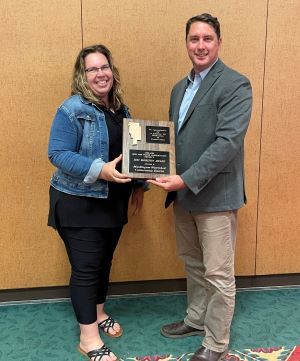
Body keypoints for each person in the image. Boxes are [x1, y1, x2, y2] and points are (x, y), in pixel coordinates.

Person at [148, 13, 252, 361]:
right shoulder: (180, 88)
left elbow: (227, 143)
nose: (201, 45)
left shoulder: (235, 84)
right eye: (194, 39)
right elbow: (173, 141)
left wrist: (185, 178)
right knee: (192, 263)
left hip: (215, 197)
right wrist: (153, 167)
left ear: (219, 43)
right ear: (187, 44)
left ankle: (216, 344)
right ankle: (195, 319)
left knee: (219, 273)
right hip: (182, 196)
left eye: (207, 38)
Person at [48, 44, 146, 361]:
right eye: (92, 69)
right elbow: (58, 154)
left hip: (112, 203)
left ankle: (99, 313)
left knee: (104, 264)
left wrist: (140, 185)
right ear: (82, 75)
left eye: (104, 67)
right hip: (80, 202)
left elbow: (131, 153)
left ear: (111, 72)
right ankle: (88, 339)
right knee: (86, 270)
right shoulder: (71, 109)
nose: (100, 74)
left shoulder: (121, 109)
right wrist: (98, 170)